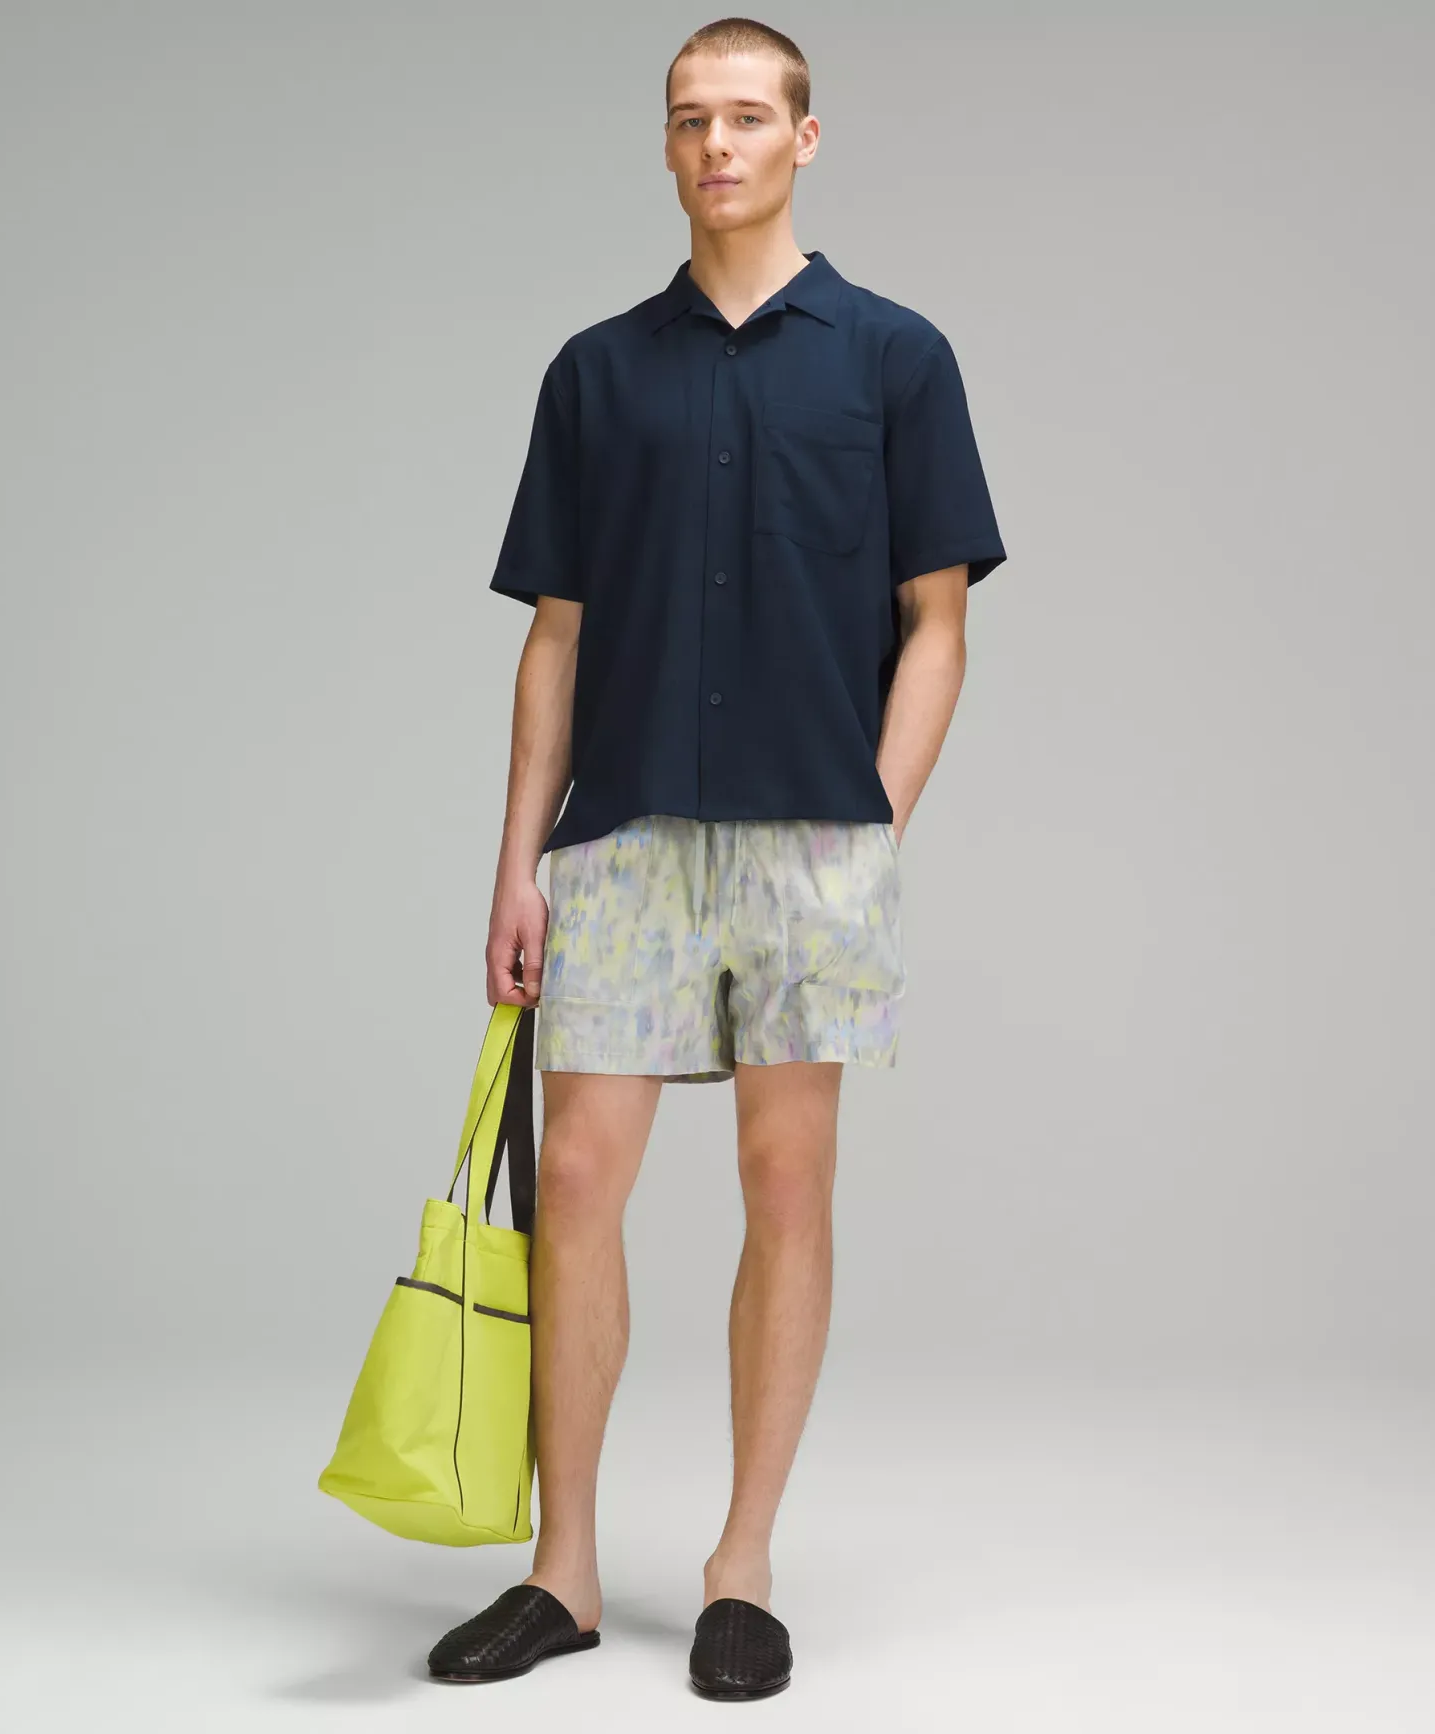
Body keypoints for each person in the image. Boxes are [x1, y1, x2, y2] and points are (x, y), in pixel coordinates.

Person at [426, 15, 1005, 1700]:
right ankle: (566, 1569)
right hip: (622, 833)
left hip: (812, 839)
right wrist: (517, 862)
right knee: (577, 1181)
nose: (718, 146)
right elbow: (553, 637)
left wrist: (870, 821)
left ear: (805, 138)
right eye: (692, 120)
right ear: (667, 144)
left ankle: (742, 1565)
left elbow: (939, 623)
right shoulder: (596, 373)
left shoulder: (898, 359)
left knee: (784, 1181)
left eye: (749, 117)